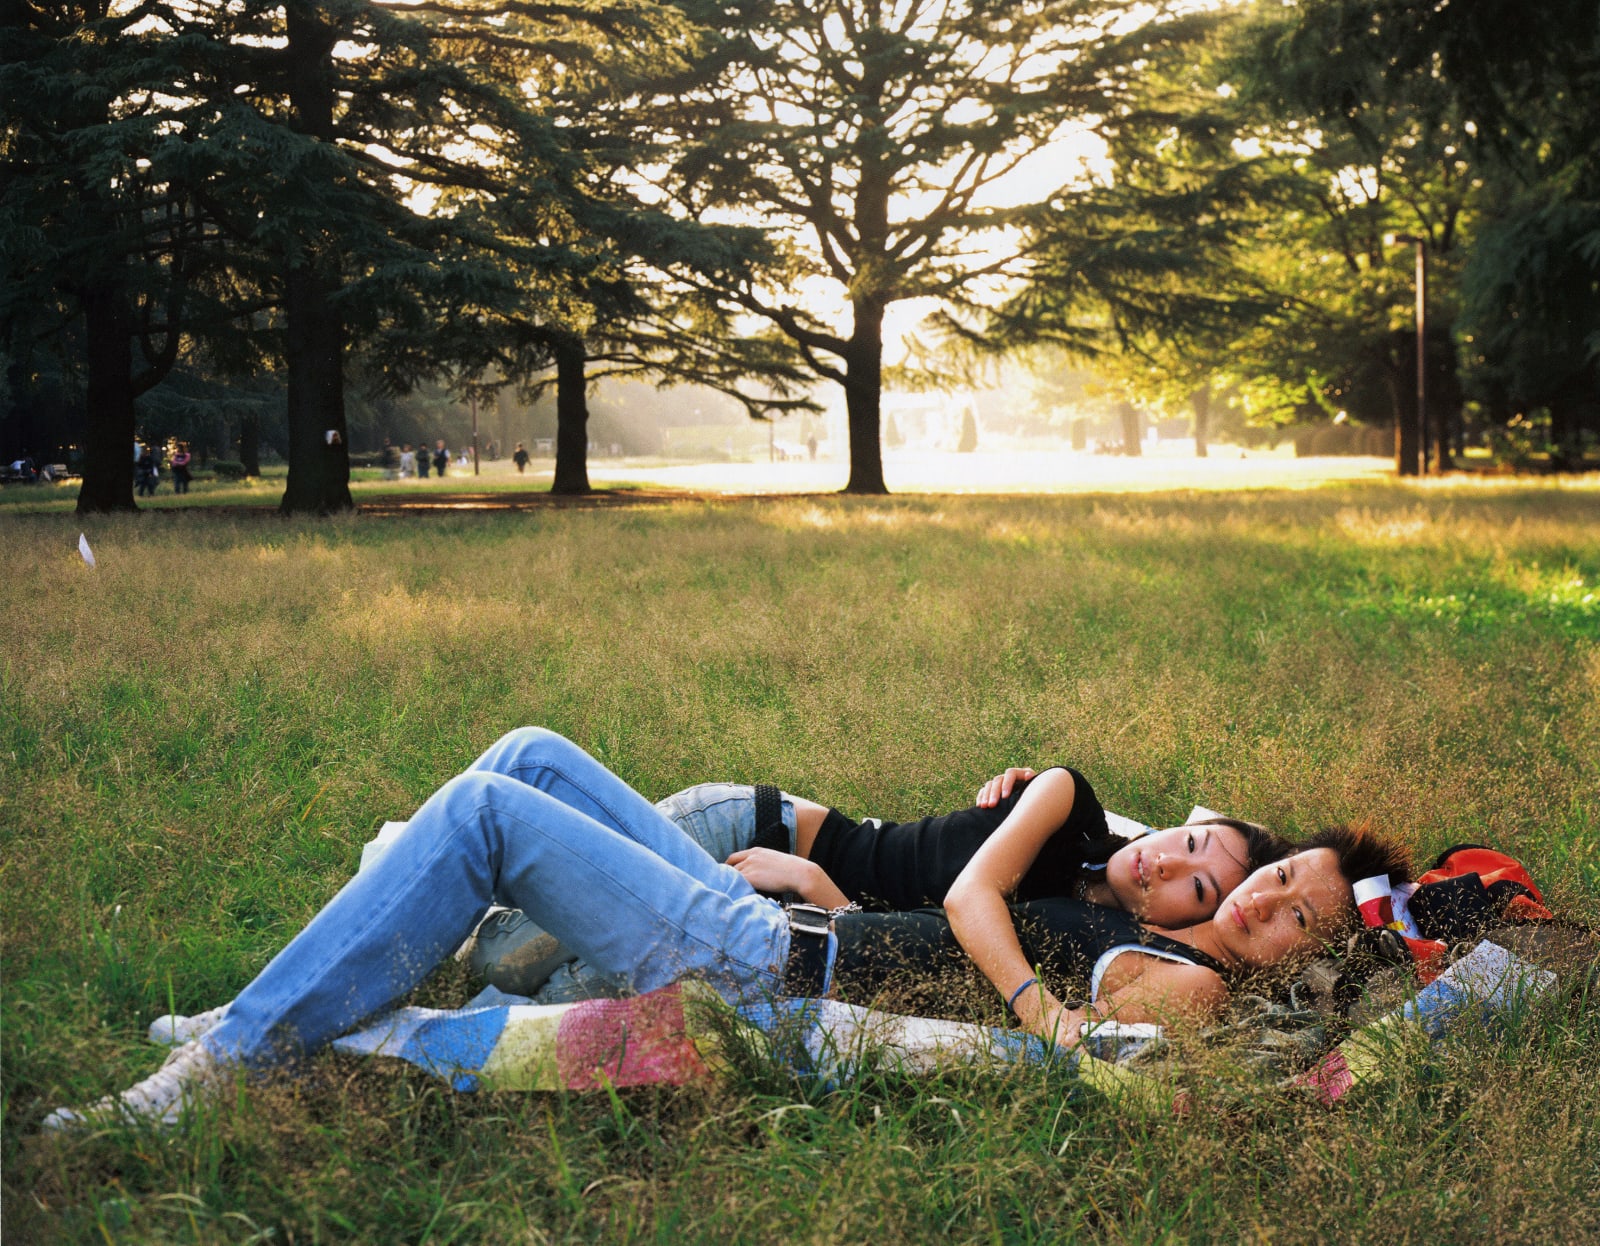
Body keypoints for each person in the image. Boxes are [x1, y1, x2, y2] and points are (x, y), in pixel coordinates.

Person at [41, 729, 1396, 1132]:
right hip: (767, 926)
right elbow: (1183, 835)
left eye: (1293, 912)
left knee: (480, 818)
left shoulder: (1193, 995)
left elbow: (1093, 1005)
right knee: (530, 754)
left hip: (760, 965)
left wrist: (1043, 1018)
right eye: (1274, 874)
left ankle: (229, 1059)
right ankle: (324, 974)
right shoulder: (1158, 908)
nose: (1259, 896)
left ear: (1311, 960)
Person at [472, 768, 1284, 1003]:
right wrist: (821, 876)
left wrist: (822, 893)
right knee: (504, 958)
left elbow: (908, 947)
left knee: (527, 985)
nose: (1168, 863)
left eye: (1199, 889)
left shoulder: (1078, 930)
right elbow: (960, 904)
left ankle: (487, 863)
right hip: (755, 830)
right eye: (1190, 839)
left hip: (788, 895)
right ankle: (481, 861)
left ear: (1193, 925)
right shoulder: (1068, 801)